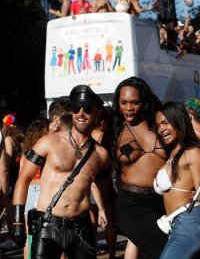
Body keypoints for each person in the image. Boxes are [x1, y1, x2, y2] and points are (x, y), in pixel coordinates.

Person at [12, 85, 110, 258]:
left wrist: (105, 212)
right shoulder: (49, 142)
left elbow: (105, 188)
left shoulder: (101, 155)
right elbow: (23, 179)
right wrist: (18, 220)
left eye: (87, 109)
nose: (81, 113)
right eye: (76, 108)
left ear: (96, 113)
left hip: (81, 228)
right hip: (48, 225)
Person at [154, 102, 200, 258]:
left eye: (165, 123)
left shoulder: (192, 151)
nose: (161, 129)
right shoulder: (173, 152)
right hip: (183, 224)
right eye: (158, 125)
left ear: (179, 121)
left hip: (191, 221)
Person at [113, 77, 168, 258]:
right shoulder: (113, 129)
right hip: (131, 204)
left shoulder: (160, 123)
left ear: (144, 101)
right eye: (124, 102)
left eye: (135, 102)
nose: (129, 108)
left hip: (163, 201)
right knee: (165, 252)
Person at [18, 118, 50, 259]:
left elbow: (21, 179)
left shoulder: (26, 154)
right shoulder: (47, 152)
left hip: (30, 192)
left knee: (29, 234)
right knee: (48, 233)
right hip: (44, 192)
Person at [90, 106, 117, 259]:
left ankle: (90, 251)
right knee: (108, 219)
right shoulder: (105, 137)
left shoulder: (87, 135)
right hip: (104, 180)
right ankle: (112, 255)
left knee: (92, 219)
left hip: (91, 180)